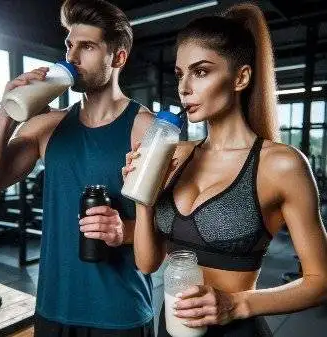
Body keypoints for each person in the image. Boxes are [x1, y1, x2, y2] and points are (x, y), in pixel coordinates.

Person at [123, 3, 327, 336]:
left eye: (200, 71)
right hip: (171, 329)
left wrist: (237, 303)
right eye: (180, 74)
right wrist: (142, 194)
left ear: (241, 77)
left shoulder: (280, 164)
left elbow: (321, 282)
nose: (184, 87)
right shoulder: (176, 155)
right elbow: (147, 263)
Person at [0, 0, 155, 336]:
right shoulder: (45, 127)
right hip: (53, 310)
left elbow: (175, 228)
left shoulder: (146, 129)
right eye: (69, 44)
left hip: (120, 313)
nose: (72, 57)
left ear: (118, 57)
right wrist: (6, 112)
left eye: (87, 46)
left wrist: (124, 230)